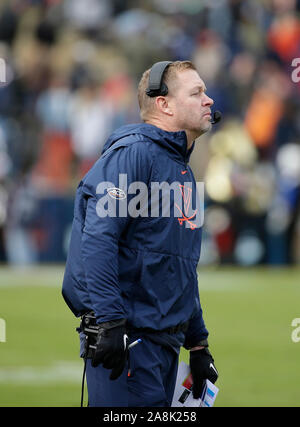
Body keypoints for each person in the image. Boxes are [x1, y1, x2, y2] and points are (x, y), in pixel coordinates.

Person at [62, 60, 219, 407]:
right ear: (163, 103)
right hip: (128, 344)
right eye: (197, 92)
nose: (209, 100)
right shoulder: (132, 154)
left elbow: (181, 267)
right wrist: (111, 323)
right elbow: (99, 240)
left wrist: (197, 343)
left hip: (163, 347)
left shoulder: (184, 172)